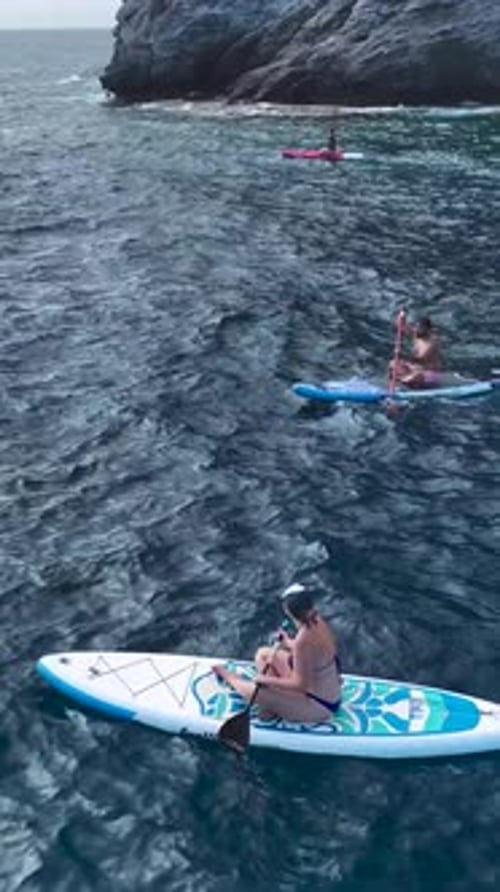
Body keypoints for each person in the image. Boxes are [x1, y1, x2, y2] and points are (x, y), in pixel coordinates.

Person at [213, 583, 342, 723]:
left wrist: (264, 679)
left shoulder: (302, 641)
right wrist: (287, 642)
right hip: (322, 691)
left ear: (289, 612)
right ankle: (272, 705)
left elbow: (300, 684)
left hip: (318, 705)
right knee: (263, 654)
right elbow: (311, 652)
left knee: (255, 691)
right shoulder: (317, 620)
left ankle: (229, 678)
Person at [391, 315, 442, 388]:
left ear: (428, 330)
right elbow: (402, 327)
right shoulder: (417, 334)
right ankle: (401, 381)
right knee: (394, 364)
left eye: (421, 328)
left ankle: (404, 381)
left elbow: (420, 359)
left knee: (415, 376)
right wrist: (401, 320)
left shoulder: (432, 342)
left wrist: (402, 354)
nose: (417, 330)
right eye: (416, 327)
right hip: (415, 369)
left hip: (430, 373)